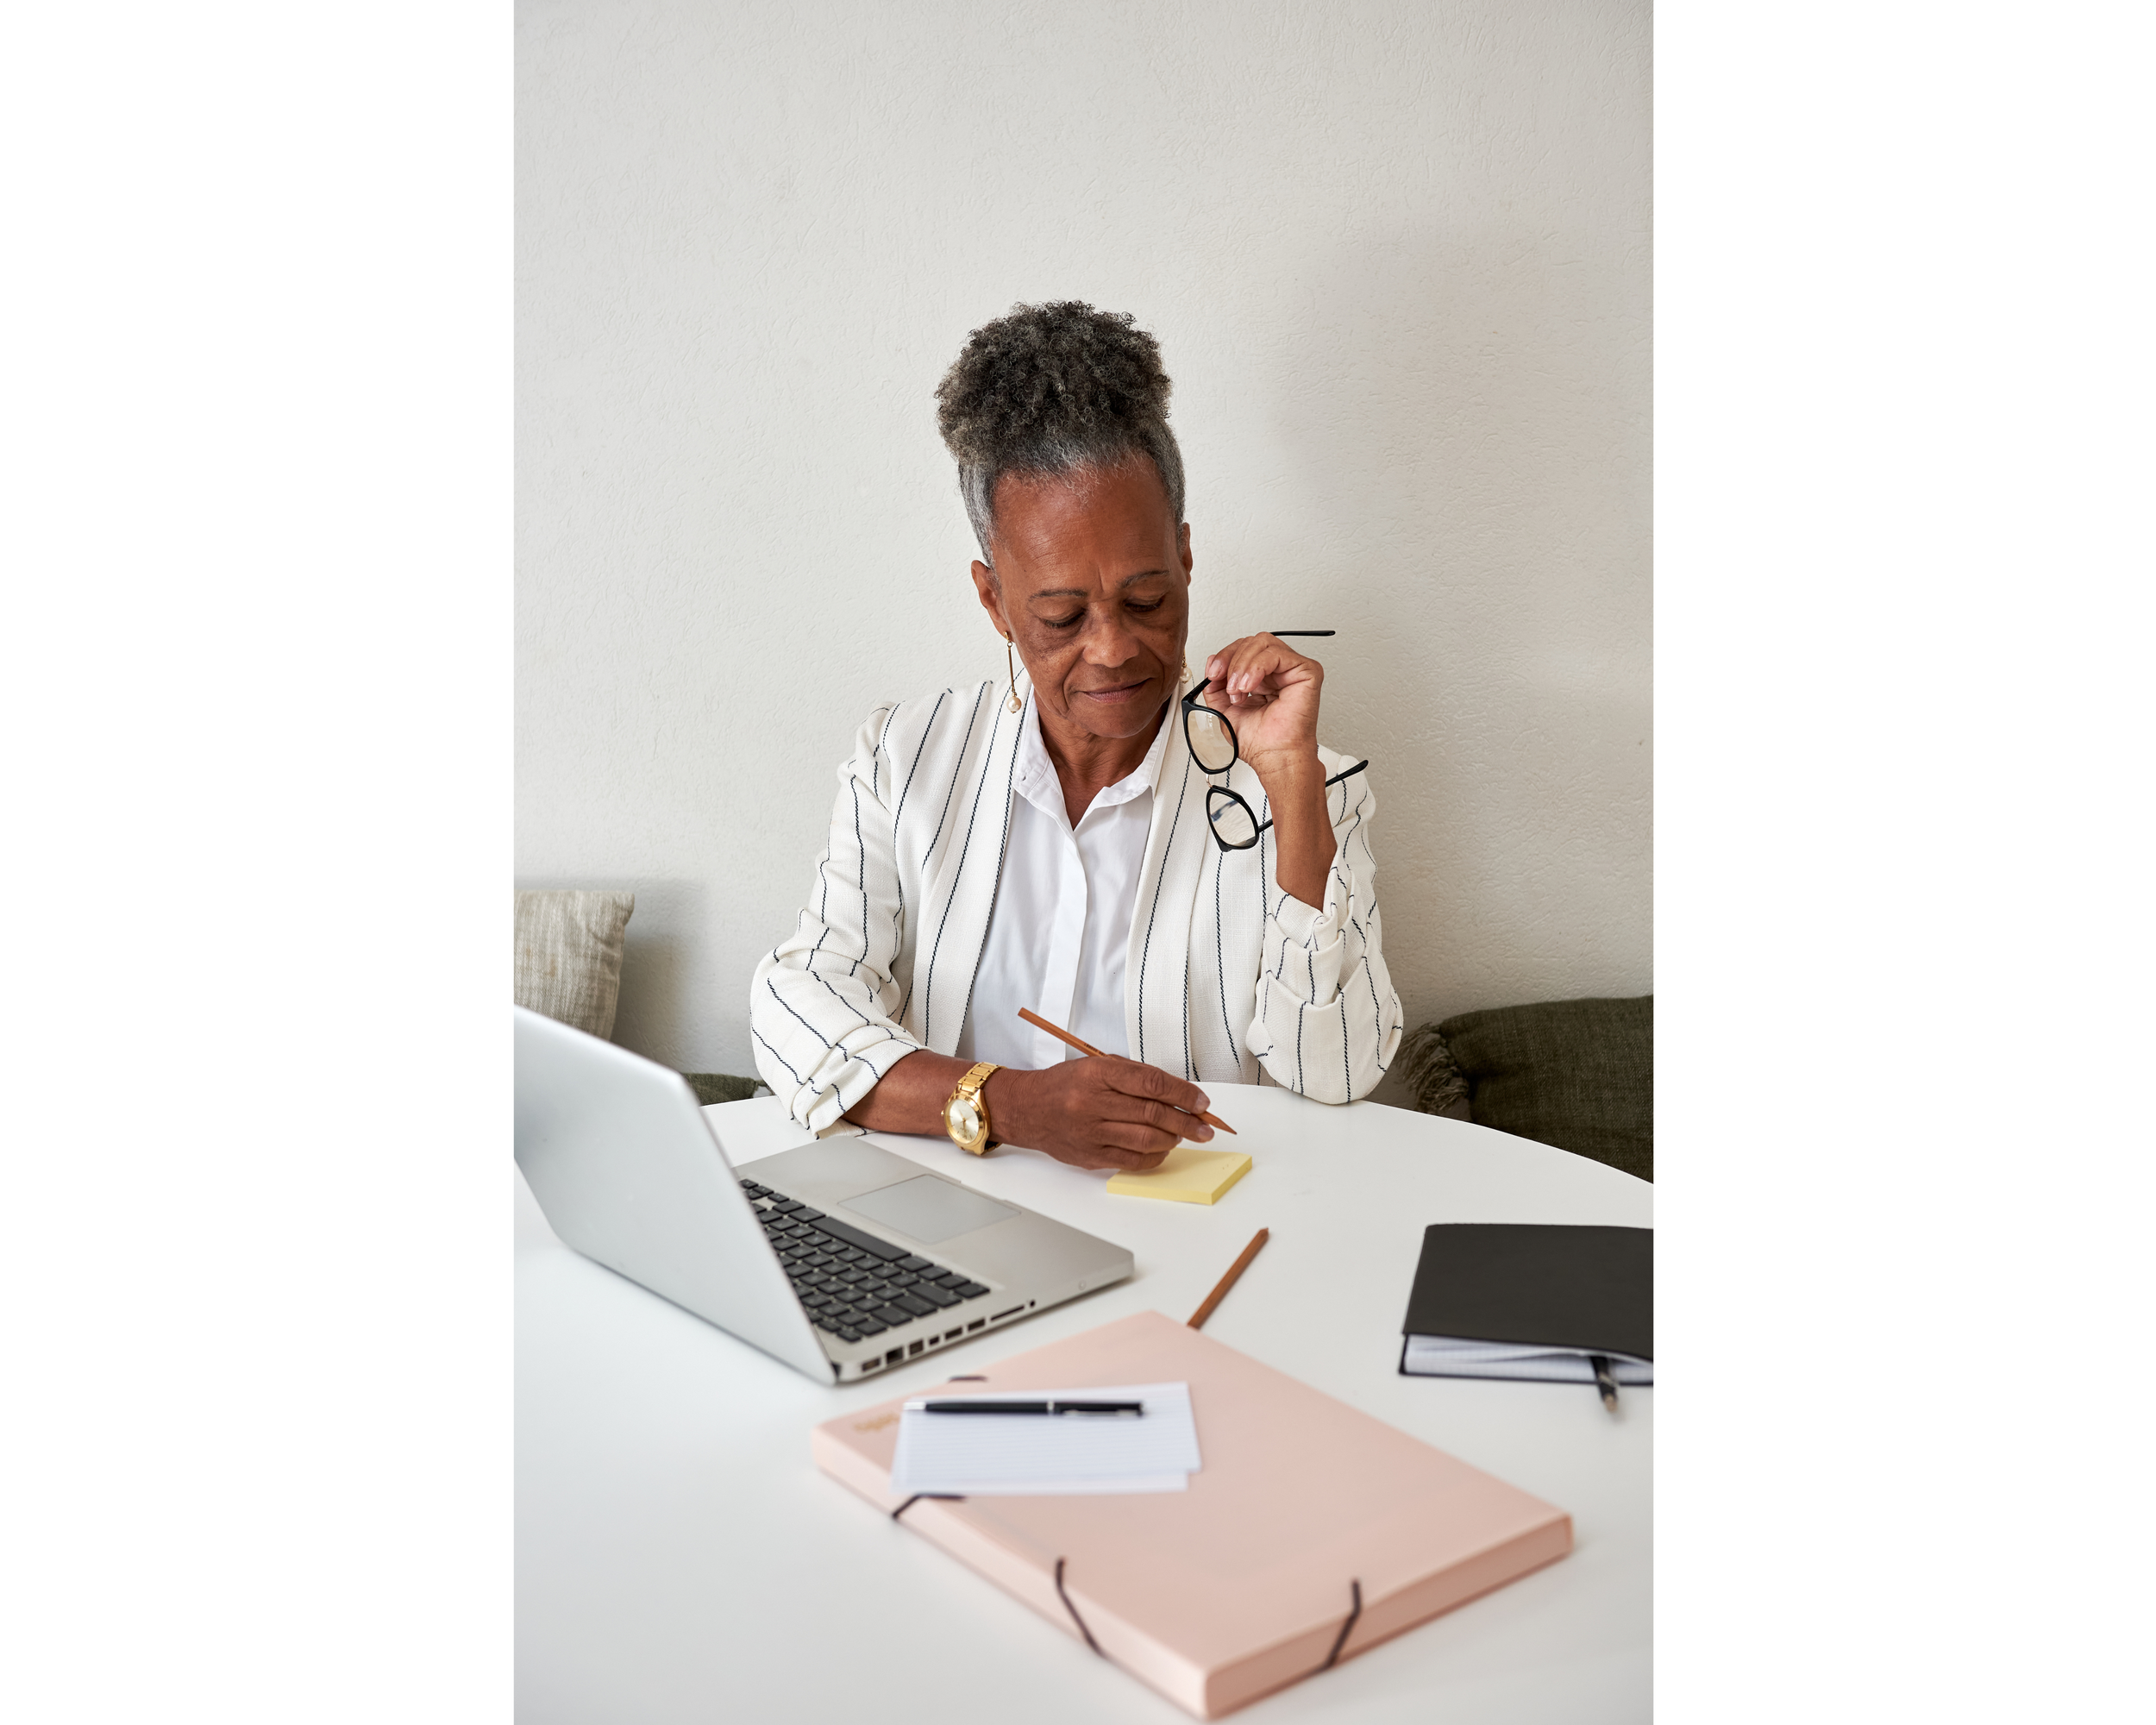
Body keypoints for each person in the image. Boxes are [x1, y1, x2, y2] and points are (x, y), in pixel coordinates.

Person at [749, 302, 1401, 1173]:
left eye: (1147, 599)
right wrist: (1012, 1104)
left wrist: (1288, 789)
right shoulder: (901, 760)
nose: (1113, 648)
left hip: (1209, 1242)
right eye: (1060, 615)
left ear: (1185, 556)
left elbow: (1342, 1071)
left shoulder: (1309, 784)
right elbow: (796, 1004)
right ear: (992, 599)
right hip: (955, 1224)